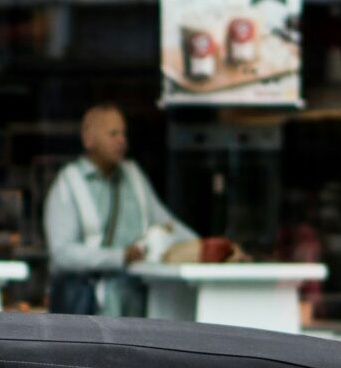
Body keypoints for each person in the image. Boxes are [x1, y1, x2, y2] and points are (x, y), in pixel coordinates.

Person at [39, 103, 235, 316]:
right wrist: (119, 257)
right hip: (88, 306)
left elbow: (165, 223)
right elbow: (62, 254)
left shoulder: (133, 175)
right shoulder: (69, 183)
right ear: (89, 139)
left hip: (134, 300)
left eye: (123, 133)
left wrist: (206, 248)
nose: (121, 140)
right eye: (113, 134)